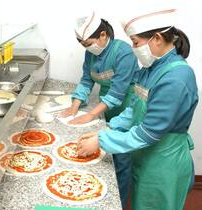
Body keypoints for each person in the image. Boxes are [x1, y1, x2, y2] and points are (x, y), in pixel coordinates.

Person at [77, 6, 198, 210]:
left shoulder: (176, 78)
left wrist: (102, 140)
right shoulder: (150, 69)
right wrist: (108, 128)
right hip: (147, 156)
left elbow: (148, 133)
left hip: (163, 162)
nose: (133, 48)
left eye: (135, 42)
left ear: (157, 38)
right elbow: (134, 109)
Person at [60, 12, 139, 208]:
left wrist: (91, 114)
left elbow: (118, 91)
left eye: (88, 43)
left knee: (120, 159)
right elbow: (86, 79)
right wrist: (75, 105)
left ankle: (117, 202)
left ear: (103, 35)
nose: (86, 48)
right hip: (107, 107)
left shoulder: (124, 52)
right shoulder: (91, 53)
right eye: (83, 44)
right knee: (103, 155)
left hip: (127, 107)